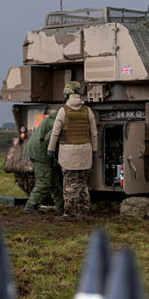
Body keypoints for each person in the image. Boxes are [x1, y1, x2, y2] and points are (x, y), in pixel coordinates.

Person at [46, 81, 97, 221]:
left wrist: (50, 149)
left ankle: (69, 213)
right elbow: (94, 133)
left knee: (69, 183)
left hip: (69, 153)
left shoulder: (63, 111)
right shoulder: (88, 111)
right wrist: (95, 150)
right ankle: (84, 211)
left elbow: (55, 133)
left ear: (67, 94)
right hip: (85, 151)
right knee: (82, 183)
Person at [22, 112, 64, 216]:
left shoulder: (53, 119)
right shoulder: (58, 122)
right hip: (41, 152)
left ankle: (62, 207)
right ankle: (30, 206)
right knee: (44, 181)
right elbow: (49, 138)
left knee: (54, 181)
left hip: (39, 150)